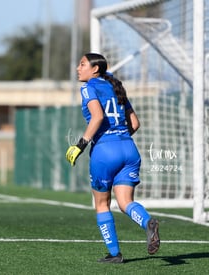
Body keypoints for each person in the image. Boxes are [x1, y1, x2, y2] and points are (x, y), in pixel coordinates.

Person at [65, 53, 160, 263]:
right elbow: (134, 124)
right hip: (128, 148)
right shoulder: (117, 88)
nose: (78, 69)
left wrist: (79, 146)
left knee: (102, 204)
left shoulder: (88, 87)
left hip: (105, 152)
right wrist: (119, 138)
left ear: (95, 69)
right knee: (126, 202)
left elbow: (98, 117)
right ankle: (147, 222)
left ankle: (115, 254)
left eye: (82, 64)